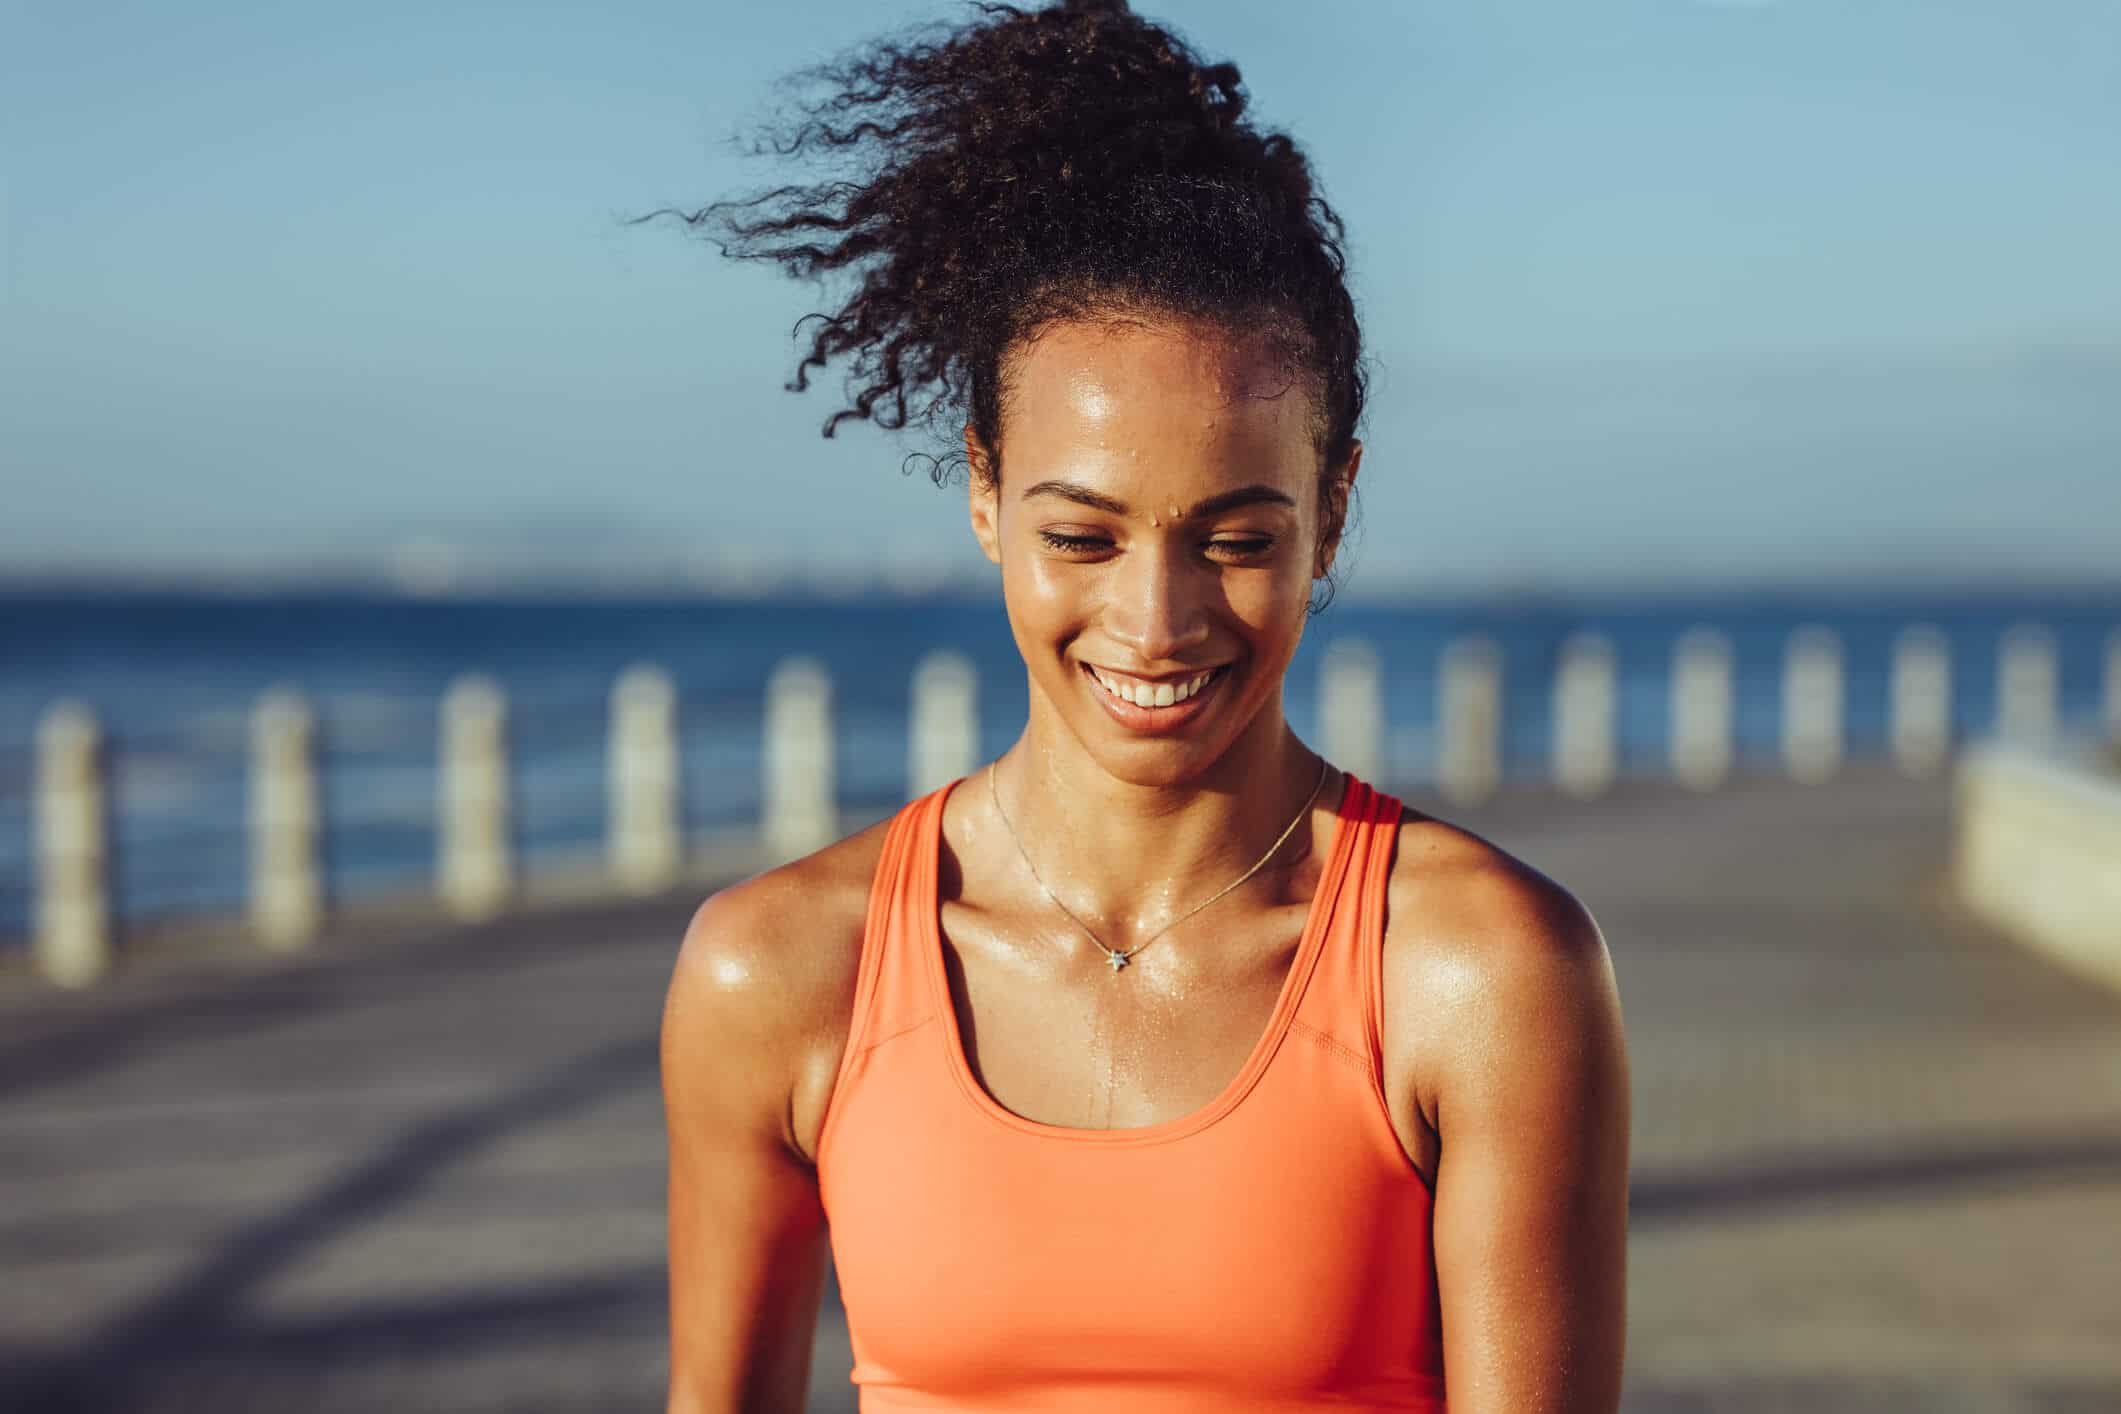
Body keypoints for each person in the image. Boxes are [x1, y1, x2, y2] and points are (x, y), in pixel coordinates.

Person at [656, 3, 1630, 1409]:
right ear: (985, 490)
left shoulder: (1478, 972)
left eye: (1233, 539)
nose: (1155, 621)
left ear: (1332, 508)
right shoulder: (778, 970)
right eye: (1081, 536)